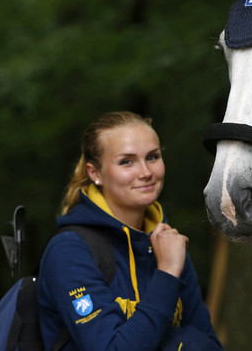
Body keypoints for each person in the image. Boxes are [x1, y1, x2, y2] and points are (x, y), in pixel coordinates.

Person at [37, 111, 223, 351]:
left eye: (153, 157)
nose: (145, 172)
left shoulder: (169, 244)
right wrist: (166, 273)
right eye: (127, 161)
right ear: (95, 173)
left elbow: (209, 345)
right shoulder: (69, 251)